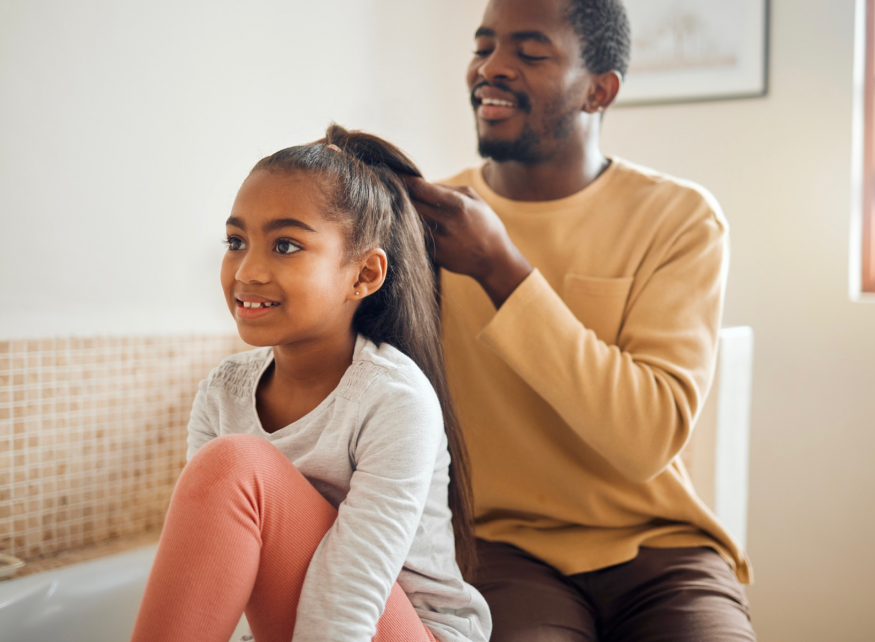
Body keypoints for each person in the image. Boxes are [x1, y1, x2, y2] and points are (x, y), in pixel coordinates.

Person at [402, 0, 756, 640]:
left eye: (530, 53)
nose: (492, 68)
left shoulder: (680, 220)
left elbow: (646, 437)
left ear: (600, 91)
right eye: (484, 47)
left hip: (661, 549)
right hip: (499, 547)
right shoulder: (429, 222)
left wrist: (500, 268)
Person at [131, 125, 493, 642]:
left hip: (410, 629)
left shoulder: (394, 399)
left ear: (364, 275)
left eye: (285, 245)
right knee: (231, 466)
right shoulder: (222, 393)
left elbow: (349, 593)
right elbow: (221, 571)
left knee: (239, 464)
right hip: (316, 625)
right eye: (236, 241)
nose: (247, 271)